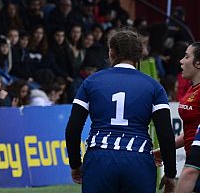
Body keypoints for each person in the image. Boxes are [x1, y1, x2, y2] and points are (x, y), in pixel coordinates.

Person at [64, 29, 176, 193]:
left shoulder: (91, 81)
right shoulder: (154, 87)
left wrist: (75, 164)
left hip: (99, 159)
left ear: (111, 51)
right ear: (139, 55)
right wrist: (171, 173)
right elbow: (166, 133)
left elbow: (73, 129)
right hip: (138, 160)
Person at [169, 43, 200, 193]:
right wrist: (166, 149)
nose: (181, 61)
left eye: (187, 56)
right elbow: (192, 131)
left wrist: (190, 172)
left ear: (198, 64)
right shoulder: (192, 88)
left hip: (195, 168)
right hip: (193, 164)